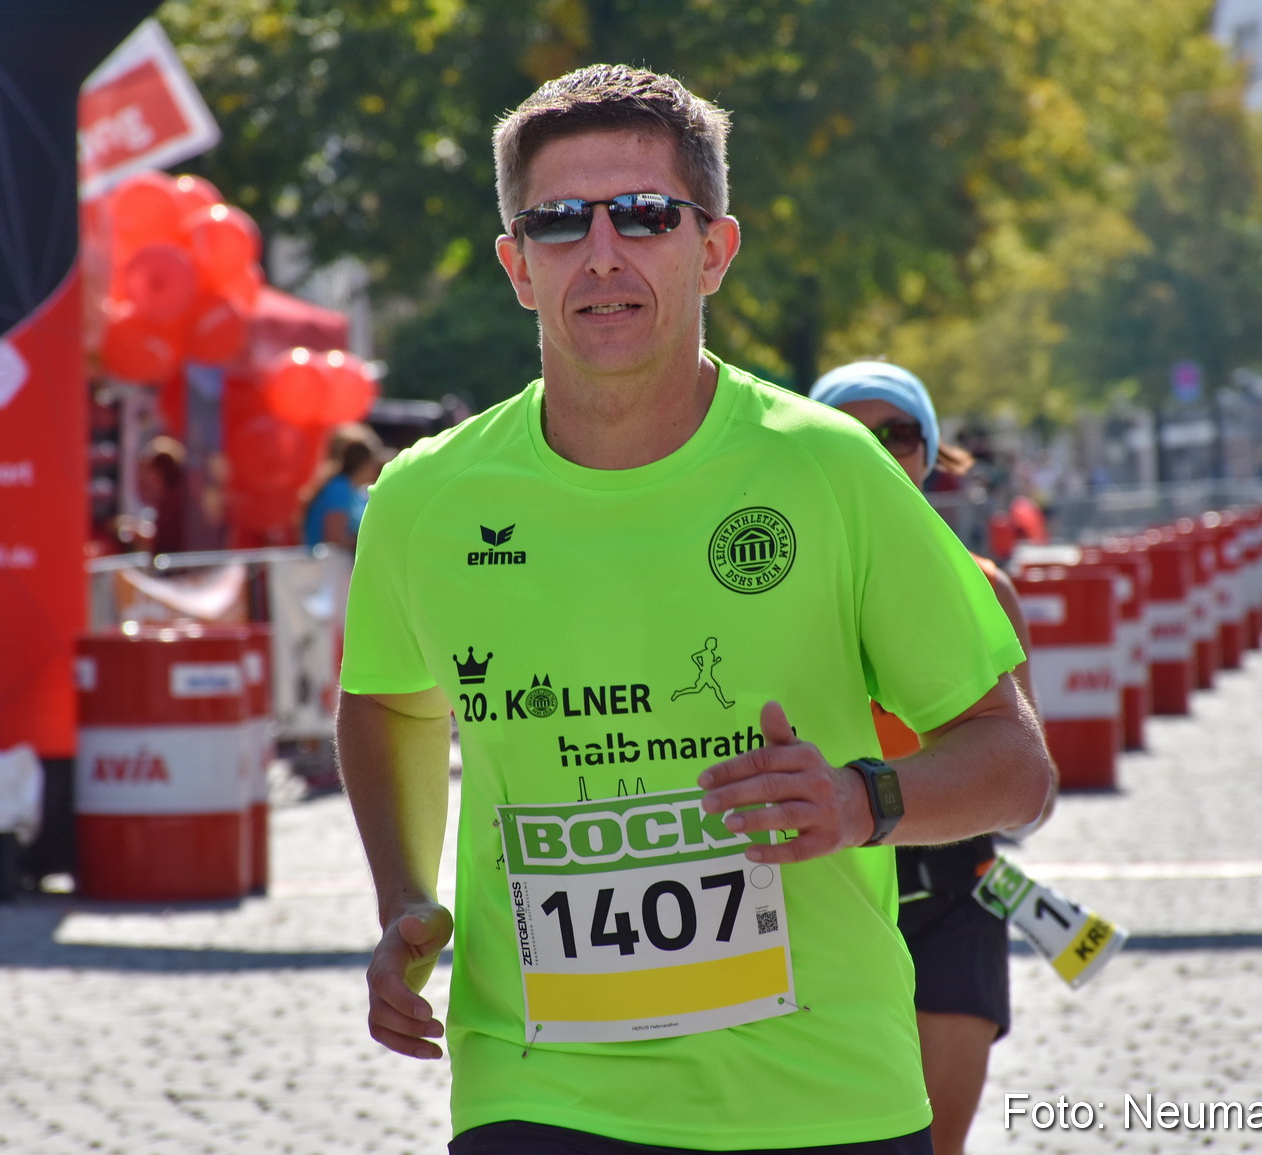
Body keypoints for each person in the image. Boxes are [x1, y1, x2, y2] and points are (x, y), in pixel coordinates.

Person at [335, 64, 1050, 1154]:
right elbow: (388, 701)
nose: (603, 253)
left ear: (712, 248)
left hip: (824, 1094)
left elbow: (1013, 761)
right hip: (537, 1092)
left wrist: (859, 804)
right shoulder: (423, 499)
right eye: (561, 222)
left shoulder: (830, 471)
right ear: (517, 266)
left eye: (647, 216)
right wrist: (401, 901)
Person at [810, 362, 1058, 1155]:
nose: (880, 449)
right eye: (854, 431)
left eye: (900, 433)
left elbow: (1032, 780)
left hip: (956, 895)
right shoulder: (773, 591)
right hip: (823, 905)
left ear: (930, 449)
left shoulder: (982, 586)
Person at [302, 423, 387, 548]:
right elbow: (334, 538)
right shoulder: (339, 488)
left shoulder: (349, 488)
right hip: (327, 566)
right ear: (366, 463)